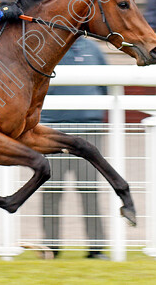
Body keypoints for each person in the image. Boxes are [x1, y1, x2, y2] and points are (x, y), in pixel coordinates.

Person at [39, 37, 108, 261]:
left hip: (88, 128)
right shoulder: (47, 46)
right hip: (53, 130)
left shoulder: (93, 49)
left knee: (89, 189)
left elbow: (105, 85)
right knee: (52, 189)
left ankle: (96, 248)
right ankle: (51, 247)